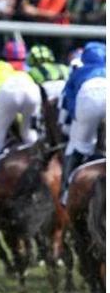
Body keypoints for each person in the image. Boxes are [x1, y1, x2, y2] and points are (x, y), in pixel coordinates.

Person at [0, 61, 42, 197]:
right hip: (32, 90)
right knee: (27, 133)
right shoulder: (18, 74)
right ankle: (37, 156)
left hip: (10, 94)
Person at [59, 41, 106, 204]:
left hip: (87, 100)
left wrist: (70, 123)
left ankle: (66, 193)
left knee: (80, 145)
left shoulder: (78, 72)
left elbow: (67, 101)